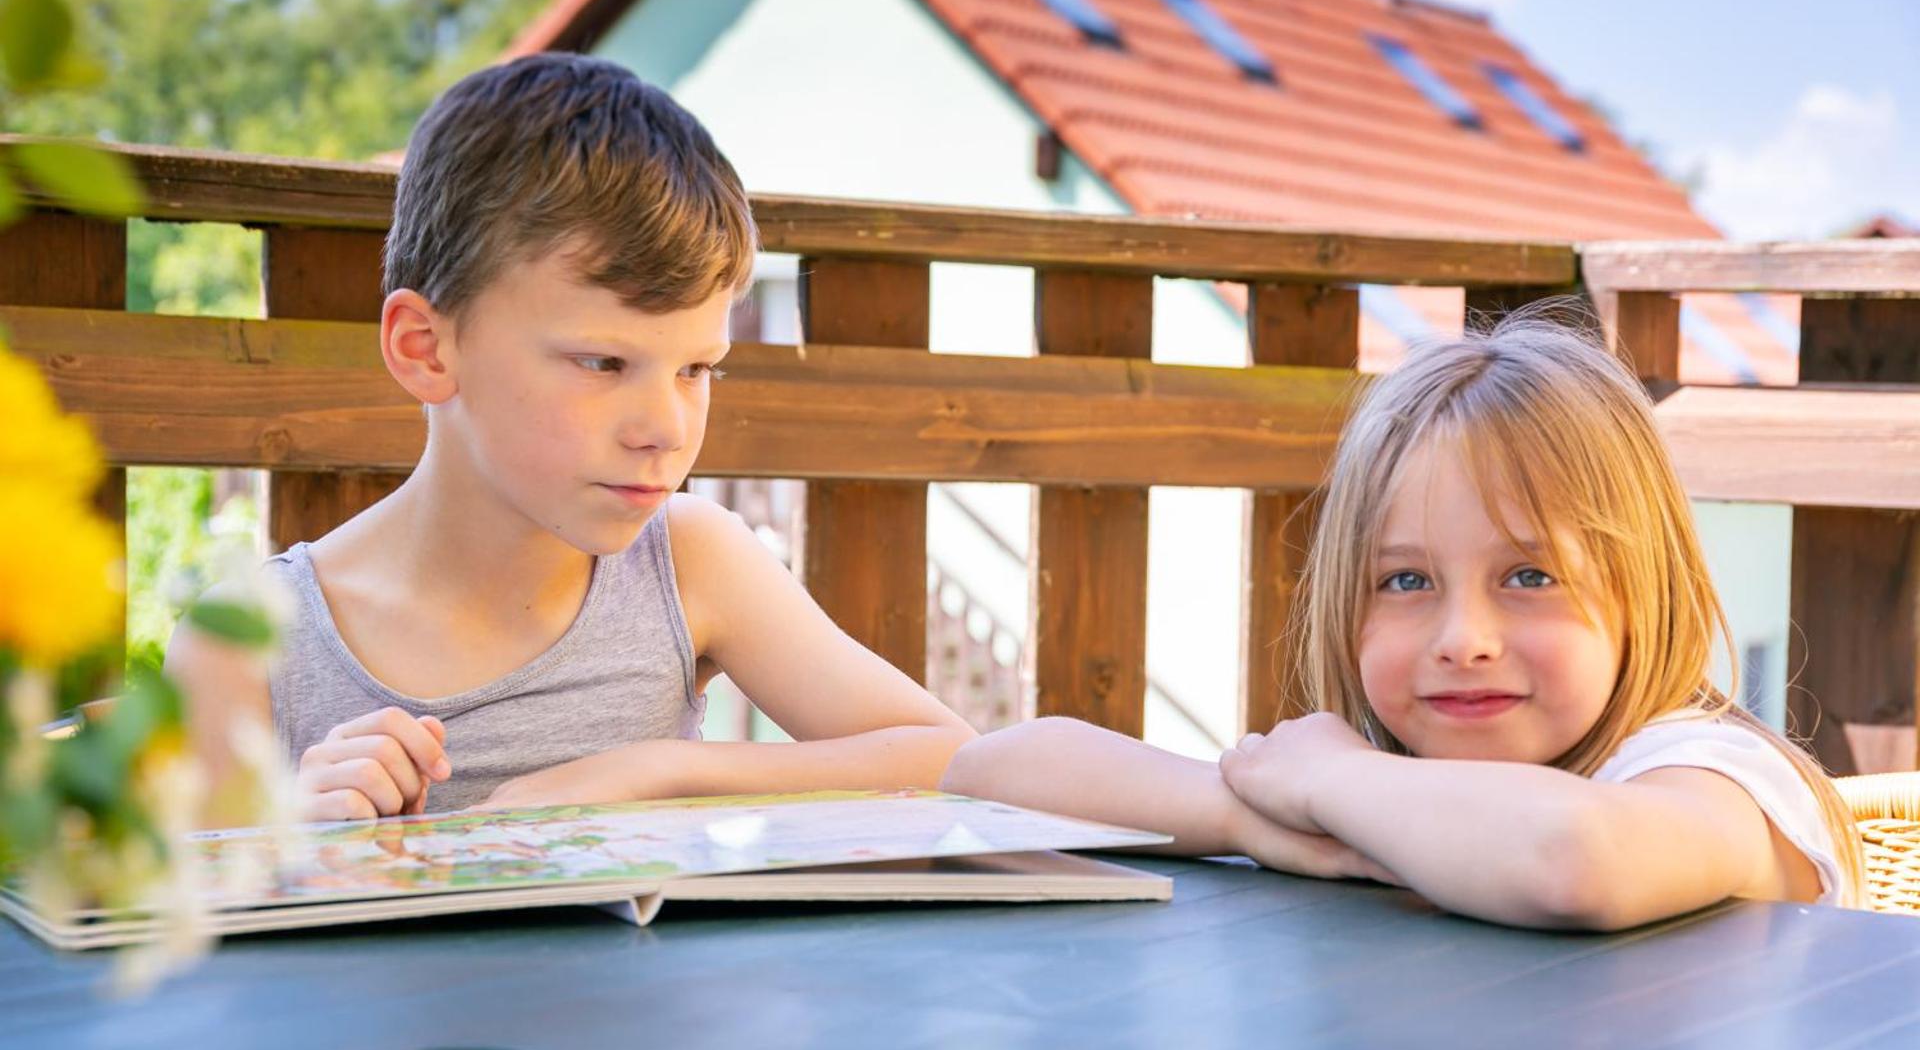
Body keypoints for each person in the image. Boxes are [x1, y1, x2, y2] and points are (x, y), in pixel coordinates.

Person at [167, 54, 971, 820]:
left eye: (697, 369)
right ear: (426, 348)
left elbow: (951, 757)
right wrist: (282, 839)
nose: (666, 429)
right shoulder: (247, 642)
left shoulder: (686, 561)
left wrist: (665, 771)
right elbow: (187, 923)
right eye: (603, 361)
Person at [943, 309, 1864, 930]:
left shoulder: (1712, 776)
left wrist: (1330, 787)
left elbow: (1574, 855)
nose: (1464, 637)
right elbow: (991, 771)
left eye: (1530, 574)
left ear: (1643, 587)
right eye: (1407, 581)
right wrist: (1259, 822)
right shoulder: (1375, 784)